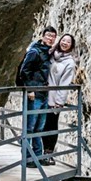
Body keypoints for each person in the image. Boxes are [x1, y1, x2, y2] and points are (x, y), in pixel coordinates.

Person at [19, 26, 56, 165]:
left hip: (43, 94)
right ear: (42, 36)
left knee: (38, 128)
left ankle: (38, 157)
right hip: (34, 95)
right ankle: (28, 159)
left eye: (53, 36)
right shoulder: (34, 52)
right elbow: (24, 71)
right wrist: (30, 90)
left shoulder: (47, 52)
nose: (50, 38)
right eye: (48, 36)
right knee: (29, 128)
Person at [43, 33, 76, 164]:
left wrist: (59, 102)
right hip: (42, 96)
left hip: (53, 100)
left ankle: (48, 153)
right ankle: (37, 152)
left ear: (71, 46)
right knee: (41, 125)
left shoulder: (69, 63)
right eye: (63, 40)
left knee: (51, 126)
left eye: (68, 42)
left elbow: (64, 84)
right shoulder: (51, 54)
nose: (65, 43)